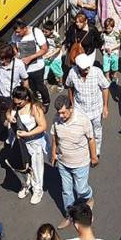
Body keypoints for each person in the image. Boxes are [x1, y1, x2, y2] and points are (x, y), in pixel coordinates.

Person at [50, 96, 97, 227]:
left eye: (63, 112)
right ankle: (70, 215)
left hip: (80, 163)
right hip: (63, 163)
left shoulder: (83, 120)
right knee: (67, 191)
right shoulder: (56, 119)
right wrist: (53, 152)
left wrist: (94, 157)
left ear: (71, 109)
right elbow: (55, 136)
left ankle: (89, 197)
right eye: (59, 113)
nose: (61, 116)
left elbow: (91, 139)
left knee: (81, 189)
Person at [66, 52, 110, 152]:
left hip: (96, 109)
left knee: (97, 131)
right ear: (78, 67)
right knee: (81, 131)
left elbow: (105, 88)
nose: (87, 70)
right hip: (80, 109)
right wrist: (72, 104)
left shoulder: (97, 72)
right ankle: (85, 149)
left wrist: (105, 106)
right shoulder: (72, 73)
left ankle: (96, 150)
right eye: (84, 68)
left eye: (88, 67)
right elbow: (69, 87)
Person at [11, 87, 49, 204]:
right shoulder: (15, 107)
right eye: (15, 102)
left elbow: (43, 126)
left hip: (35, 142)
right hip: (21, 143)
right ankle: (26, 184)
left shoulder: (35, 108)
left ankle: (38, 190)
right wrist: (9, 117)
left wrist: (27, 134)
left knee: (37, 167)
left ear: (26, 98)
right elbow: (8, 113)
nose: (17, 104)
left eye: (19, 102)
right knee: (21, 166)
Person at [13, 19, 51, 106]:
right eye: (16, 32)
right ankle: (33, 102)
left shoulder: (36, 32)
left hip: (37, 67)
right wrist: (16, 55)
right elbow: (15, 47)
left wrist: (30, 58)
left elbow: (44, 49)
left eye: (19, 32)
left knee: (40, 86)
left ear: (25, 28)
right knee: (29, 88)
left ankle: (46, 102)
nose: (17, 34)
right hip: (24, 69)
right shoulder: (15, 35)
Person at [99, 17, 121, 83]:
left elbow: (118, 44)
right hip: (106, 53)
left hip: (114, 53)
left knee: (115, 65)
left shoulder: (116, 35)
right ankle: (107, 77)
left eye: (109, 28)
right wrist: (103, 47)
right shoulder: (103, 34)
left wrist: (112, 48)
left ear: (113, 27)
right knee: (106, 65)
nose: (107, 30)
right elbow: (102, 43)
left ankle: (114, 76)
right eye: (106, 28)